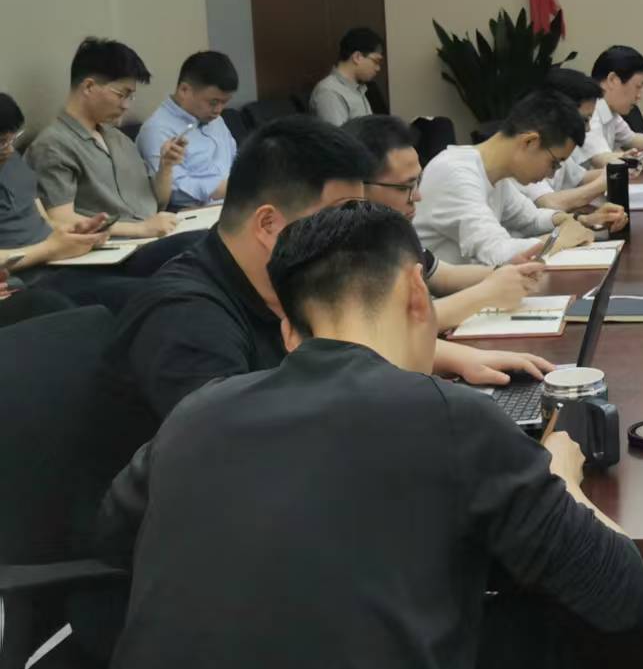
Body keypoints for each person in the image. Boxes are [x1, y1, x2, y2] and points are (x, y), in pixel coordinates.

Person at [96, 202, 643, 669]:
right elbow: (621, 595)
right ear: (418, 291)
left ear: (288, 331)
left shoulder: (195, 414)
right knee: (527, 632)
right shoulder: (452, 419)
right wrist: (561, 475)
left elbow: (113, 536)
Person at [98, 115, 552, 444]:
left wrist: (446, 356)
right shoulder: (185, 321)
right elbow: (249, 456)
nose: (352, 234)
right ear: (269, 225)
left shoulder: (285, 283)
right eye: (337, 217)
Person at [343, 114, 553, 332]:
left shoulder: (392, 233)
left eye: (418, 182)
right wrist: (486, 293)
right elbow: (395, 327)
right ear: (357, 187)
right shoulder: (344, 249)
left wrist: (507, 272)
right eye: (405, 187)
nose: (417, 197)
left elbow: (444, 277)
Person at [416, 91, 607, 267]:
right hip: (448, 292)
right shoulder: (455, 173)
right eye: (554, 163)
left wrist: (567, 219)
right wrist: (560, 240)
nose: (551, 174)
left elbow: (531, 219)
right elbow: (498, 252)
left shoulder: (495, 174)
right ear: (529, 142)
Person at [26, 38, 184, 238]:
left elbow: (157, 202)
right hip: (113, 247)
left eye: (130, 96)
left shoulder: (119, 139)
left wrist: (166, 167)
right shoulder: (53, 146)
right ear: (89, 87)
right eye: (122, 94)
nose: (126, 105)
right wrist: (140, 229)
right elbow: (61, 220)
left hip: (153, 237)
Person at [0, 92, 139, 310]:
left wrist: (75, 232)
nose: (9, 149)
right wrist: (51, 249)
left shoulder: (13, 161)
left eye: (12, 139)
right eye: (1, 143)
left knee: (153, 286)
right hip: (27, 279)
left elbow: (43, 221)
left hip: (61, 263)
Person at [136, 50, 240, 208]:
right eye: (213, 102)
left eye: (224, 102)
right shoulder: (156, 130)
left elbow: (235, 159)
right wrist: (223, 189)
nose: (219, 110)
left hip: (235, 203)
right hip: (196, 211)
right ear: (184, 90)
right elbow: (173, 192)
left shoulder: (216, 120)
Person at [520, 68, 622, 217]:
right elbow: (549, 204)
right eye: (585, 120)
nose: (587, 129)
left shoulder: (557, 141)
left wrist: (622, 172)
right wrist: (604, 182)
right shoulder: (530, 144)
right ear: (561, 110)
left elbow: (580, 178)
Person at [310, 26, 385, 126]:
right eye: (376, 61)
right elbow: (337, 136)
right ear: (357, 57)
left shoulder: (358, 88)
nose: (378, 68)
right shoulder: (330, 93)